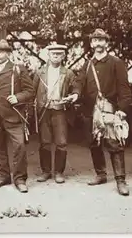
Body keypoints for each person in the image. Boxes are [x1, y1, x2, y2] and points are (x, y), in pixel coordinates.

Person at [65, 28, 132, 196]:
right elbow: (79, 82)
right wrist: (75, 94)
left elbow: (125, 89)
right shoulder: (88, 64)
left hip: (110, 110)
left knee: (114, 144)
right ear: (92, 44)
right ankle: (101, 174)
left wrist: (122, 109)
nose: (98, 43)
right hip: (90, 111)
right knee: (94, 142)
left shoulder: (116, 62)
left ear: (106, 43)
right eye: (95, 40)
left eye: (101, 40)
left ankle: (120, 180)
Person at [0, 39, 34, 193]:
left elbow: (30, 91)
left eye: (1, 52)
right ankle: (3, 175)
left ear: (8, 53)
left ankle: (20, 178)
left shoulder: (18, 69)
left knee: (19, 146)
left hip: (13, 115)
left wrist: (18, 98)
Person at [32, 44, 76, 184]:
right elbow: (32, 90)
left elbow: (75, 89)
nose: (55, 56)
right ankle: (46, 172)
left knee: (61, 142)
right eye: (53, 54)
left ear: (63, 56)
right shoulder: (40, 72)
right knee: (44, 142)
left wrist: (71, 96)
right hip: (44, 110)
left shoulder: (68, 73)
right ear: (48, 55)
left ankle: (59, 172)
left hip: (60, 111)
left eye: (59, 54)